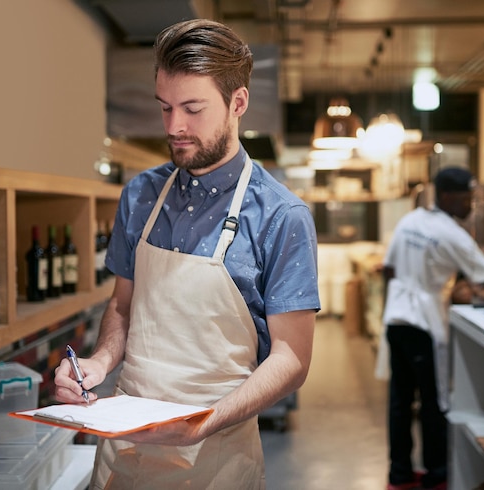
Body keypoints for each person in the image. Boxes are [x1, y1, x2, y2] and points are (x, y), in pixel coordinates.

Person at [54, 18, 319, 489]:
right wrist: (98, 363)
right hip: (123, 454)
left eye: (193, 109)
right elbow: (122, 304)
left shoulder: (282, 216)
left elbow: (291, 359)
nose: (175, 127)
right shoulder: (140, 194)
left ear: (238, 103)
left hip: (215, 455)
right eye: (165, 108)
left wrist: (204, 421)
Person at [381, 166, 484, 490]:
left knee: (399, 401)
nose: (472, 203)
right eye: (468, 196)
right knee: (433, 400)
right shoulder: (452, 233)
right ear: (448, 196)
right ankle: (437, 474)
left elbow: (388, 268)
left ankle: (399, 475)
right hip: (424, 323)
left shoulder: (411, 221)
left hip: (396, 318)